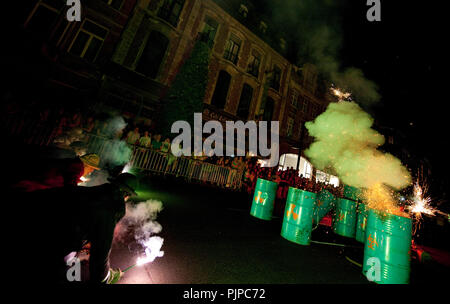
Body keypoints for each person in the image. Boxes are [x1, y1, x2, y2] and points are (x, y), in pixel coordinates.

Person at [9, 173, 139, 284]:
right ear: (125, 194)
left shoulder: (89, 191)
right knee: (67, 269)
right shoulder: (109, 209)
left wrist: (84, 242)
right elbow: (100, 255)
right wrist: (106, 277)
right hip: (51, 241)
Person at [11, 153, 101, 192]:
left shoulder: (74, 165)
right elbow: (70, 188)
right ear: (86, 165)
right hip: (32, 182)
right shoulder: (76, 167)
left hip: (35, 182)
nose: (92, 171)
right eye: (92, 168)